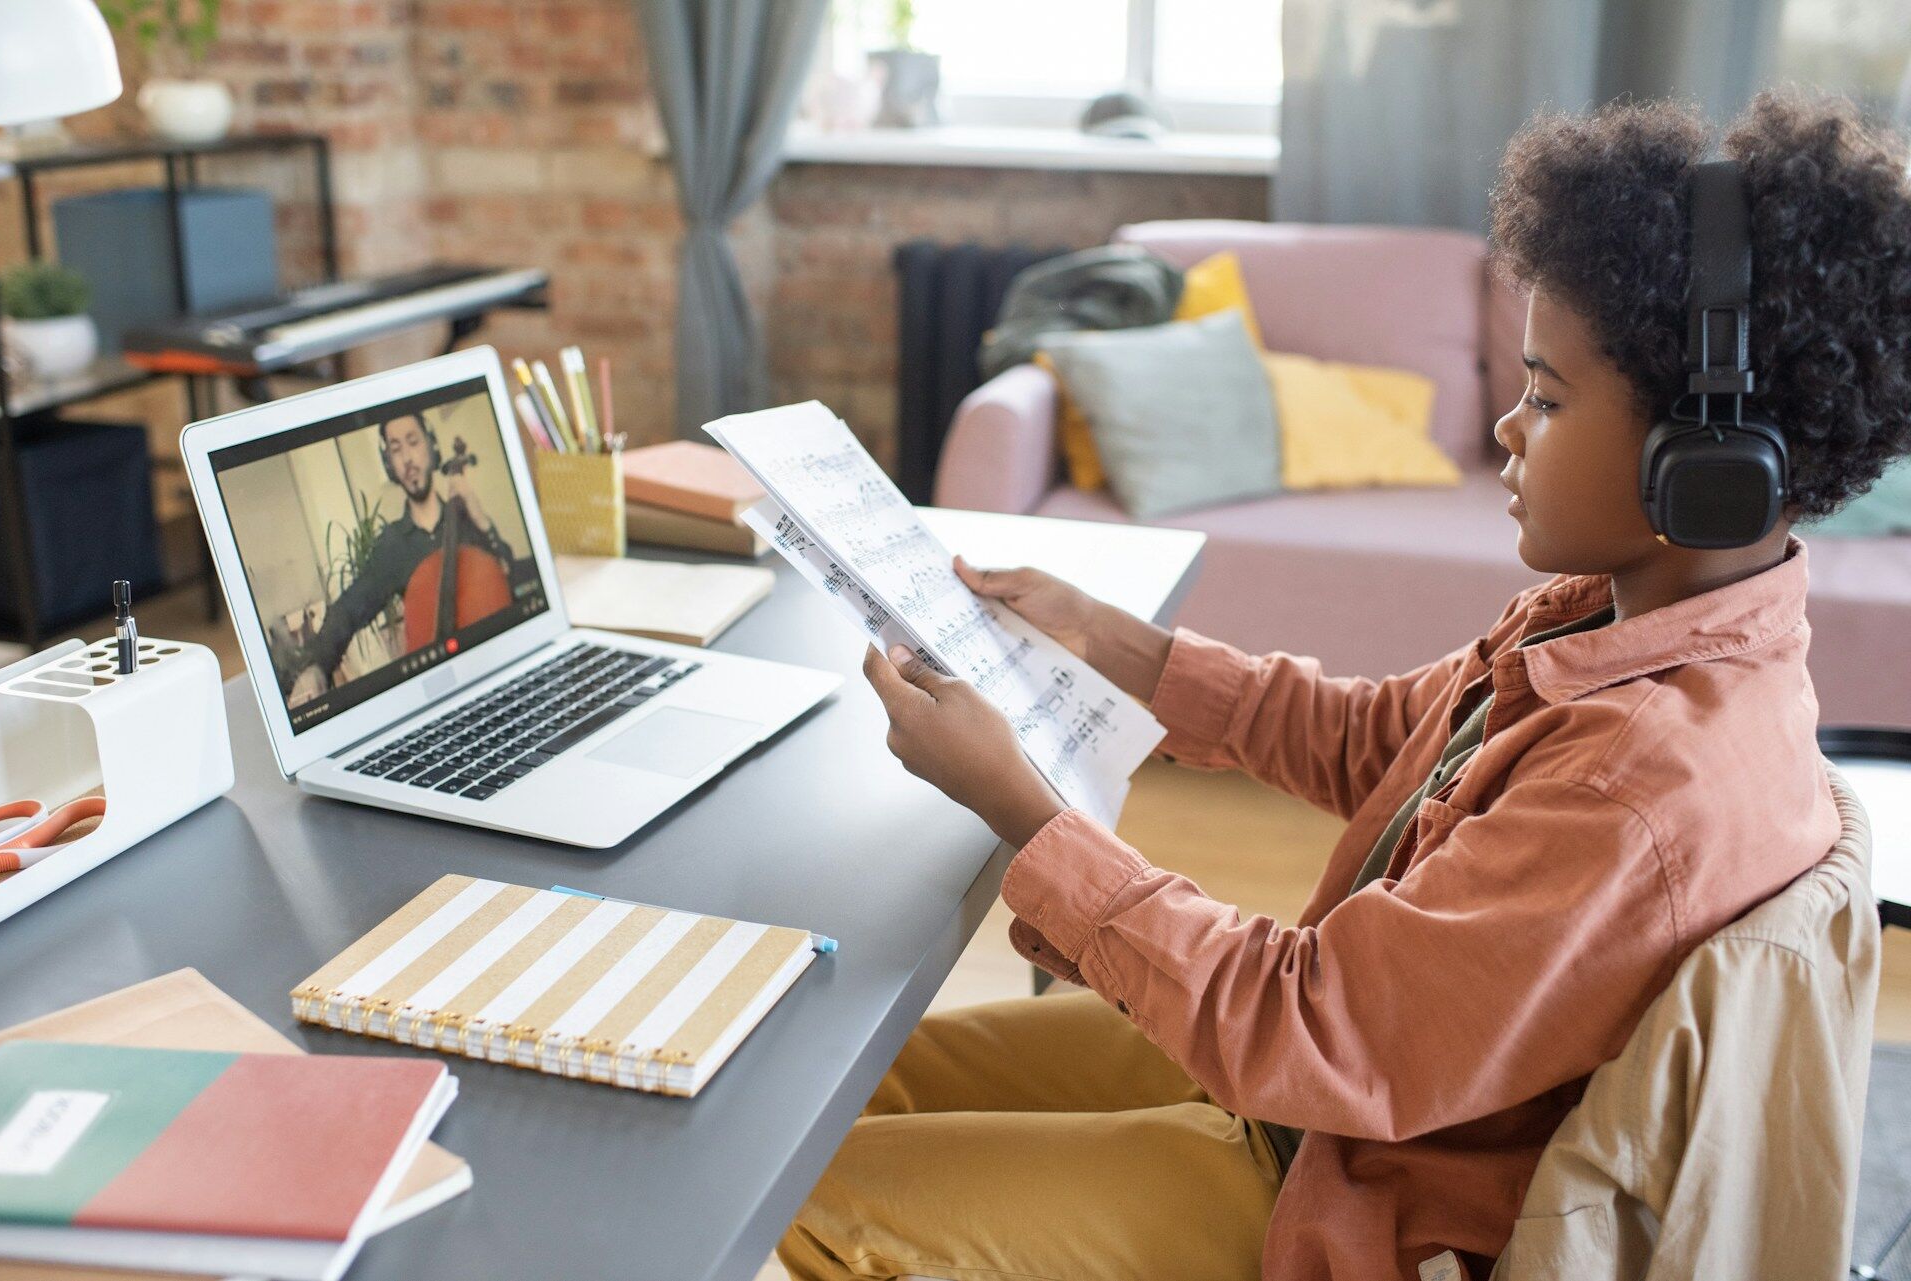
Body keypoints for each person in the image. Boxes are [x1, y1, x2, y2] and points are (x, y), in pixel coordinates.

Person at [779, 91, 1911, 1281]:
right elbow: (1378, 741)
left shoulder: (1641, 780)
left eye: (1549, 396)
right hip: (1317, 1104)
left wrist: (1024, 810)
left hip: (1351, 1192)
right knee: (832, 1103)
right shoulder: (1622, 623)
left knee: (803, 1200)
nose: (1509, 429)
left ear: (1710, 464)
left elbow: (1308, 1028)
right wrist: (1109, 638)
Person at [288, 413, 522, 707]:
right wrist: (316, 666)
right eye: (396, 449)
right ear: (389, 464)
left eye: (413, 442)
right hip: (442, 694)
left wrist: (481, 519)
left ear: (431, 447)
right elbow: (348, 609)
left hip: (502, 666)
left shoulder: (469, 522)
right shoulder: (393, 545)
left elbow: (514, 580)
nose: (407, 458)